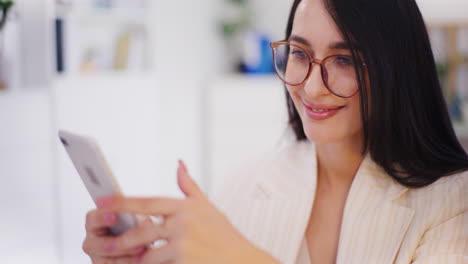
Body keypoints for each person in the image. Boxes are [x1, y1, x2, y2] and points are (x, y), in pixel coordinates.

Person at [82, 0, 468, 263]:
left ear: (396, 68)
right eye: (299, 53)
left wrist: (240, 256)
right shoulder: (246, 183)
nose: (312, 88)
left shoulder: (453, 203)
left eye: (344, 59)